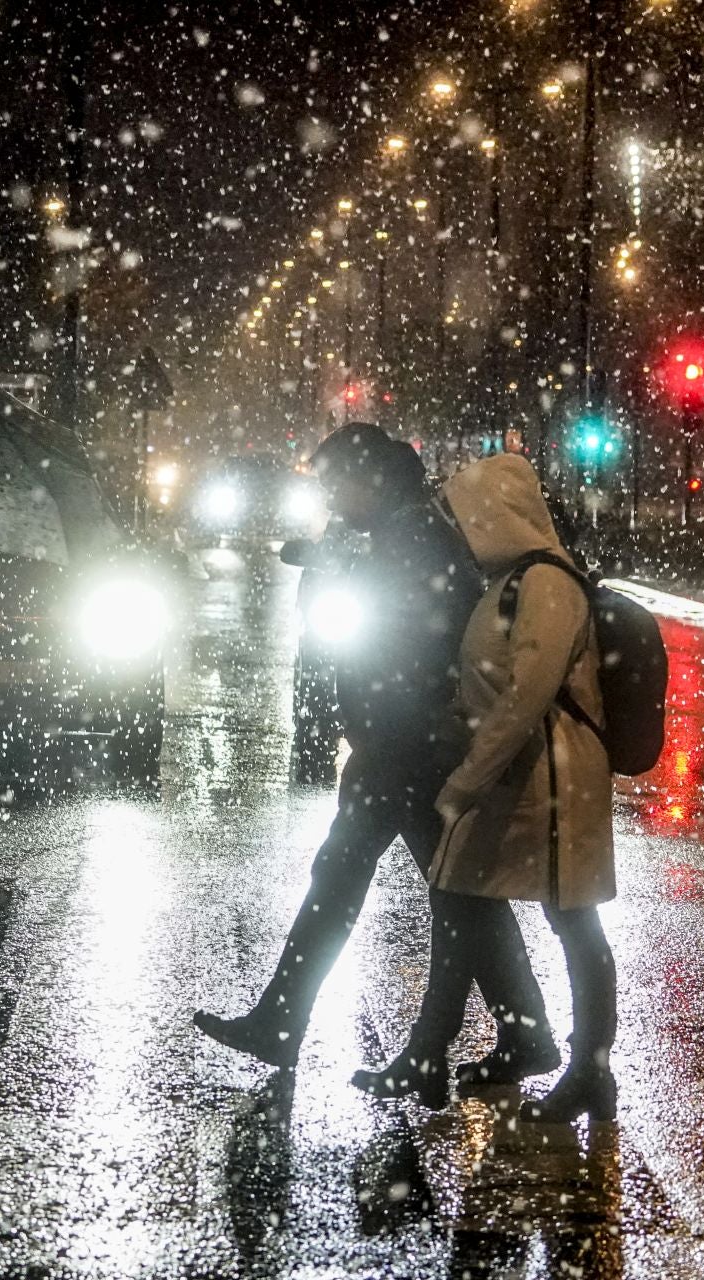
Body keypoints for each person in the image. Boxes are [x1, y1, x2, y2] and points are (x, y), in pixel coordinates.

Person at [193, 424, 555, 1086]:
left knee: (360, 878)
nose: (333, 500)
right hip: (408, 741)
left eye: (338, 485)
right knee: (453, 893)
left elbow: (409, 644)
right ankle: (522, 1027)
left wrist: (381, 721)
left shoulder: (413, 541)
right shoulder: (404, 536)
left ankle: (290, 1020)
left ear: (374, 480)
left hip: (406, 745)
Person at [352, 454, 619, 1123]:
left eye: (472, 515)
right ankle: (430, 1054)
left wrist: (468, 777)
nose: (463, 527)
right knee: (457, 899)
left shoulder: (547, 585)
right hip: (511, 775)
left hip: (551, 780)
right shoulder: (506, 581)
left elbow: (528, 695)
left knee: (572, 918)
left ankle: (590, 1068)